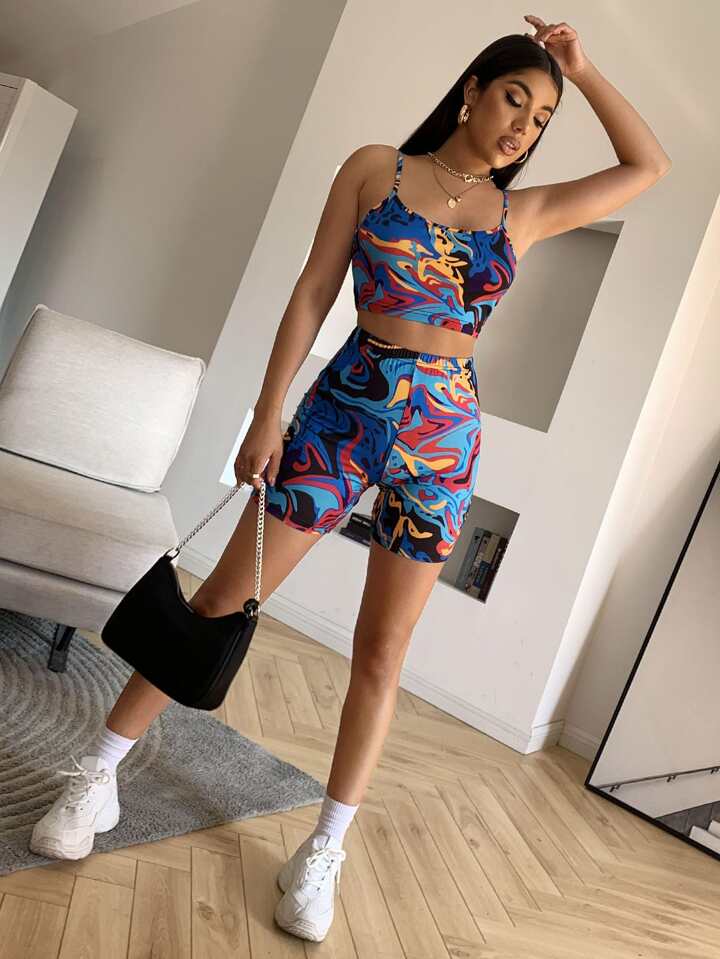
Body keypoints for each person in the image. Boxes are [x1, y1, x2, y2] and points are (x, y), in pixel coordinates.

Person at [28, 14, 671, 944]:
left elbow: (647, 166)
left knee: (382, 652)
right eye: (514, 100)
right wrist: (267, 413)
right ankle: (98, 772)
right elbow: (312, 291)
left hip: (444, 438)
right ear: (472, 92)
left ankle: (323, 848)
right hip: (344, 412)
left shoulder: (522, 213)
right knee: (220, 598)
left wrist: (585, 69)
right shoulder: (378, 170)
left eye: (540, 120)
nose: (522, 128)